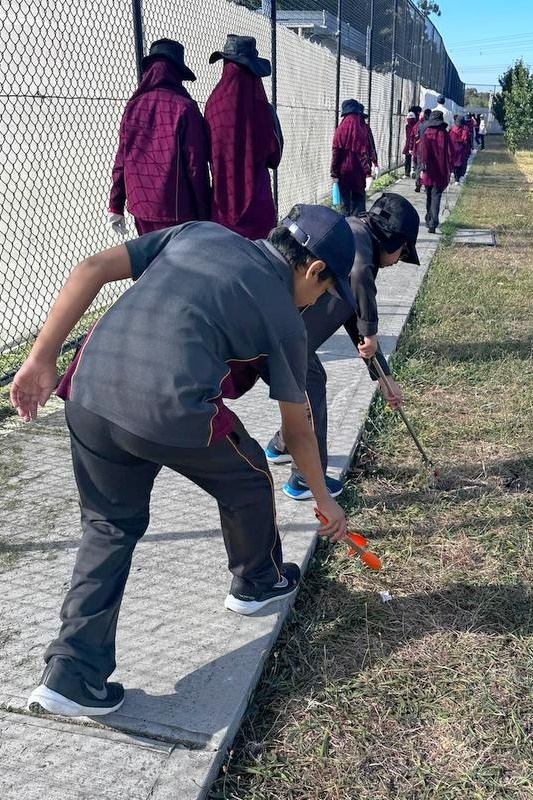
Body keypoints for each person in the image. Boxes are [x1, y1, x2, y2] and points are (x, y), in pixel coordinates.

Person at [10, 205, 355, 717]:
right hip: (167, 410)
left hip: (86, 390)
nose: (316, 302)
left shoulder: (200, 233)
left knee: (108, 525)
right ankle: (257, 580)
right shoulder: (286, 320)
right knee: (250, 474)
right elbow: (297, 428)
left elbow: (90, 268)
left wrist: (41, 357)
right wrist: (323, 500)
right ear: (313, 270)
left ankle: (71, 675)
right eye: (324, 292)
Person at [265, 194, 420, 500]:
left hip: (293, 337)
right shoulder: (358, 242)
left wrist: (384, 378)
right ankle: (305, 478)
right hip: (288, 337)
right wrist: (372, 330)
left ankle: (280, 445)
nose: (397, 261)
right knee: (312, 385)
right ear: (394, 240)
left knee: (307, 386)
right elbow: (361, 279)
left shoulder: (357, 235)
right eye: (403, 252)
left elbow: (353, 317)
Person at [108, 39, 210, 237]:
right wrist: (204, 212)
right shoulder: (185, 107)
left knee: (152, 262)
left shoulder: (133, 106)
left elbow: (121, 159)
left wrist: (115, 204)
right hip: (176, 208)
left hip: (141, 205)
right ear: (176, 73)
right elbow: (195, 165)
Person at [204, 34, 283, 239]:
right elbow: (275, 158)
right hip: (257, 205)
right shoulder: (263, 109)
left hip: (222, 206)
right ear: (254, 72)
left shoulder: (213, 106)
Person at [330, 99, 373, 217]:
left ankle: (344, 230)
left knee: (345, 205)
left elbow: (335, 154)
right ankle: (358, 230)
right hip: (358, 174)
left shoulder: (339, 130)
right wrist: (368, 173)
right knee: (358, 203)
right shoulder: (359, 131)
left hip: (343, 173)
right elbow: (362, 154)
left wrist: (334, 173)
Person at [419, 109, 453, 234]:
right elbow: (450, 153)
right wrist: (450, 168)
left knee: (428, 195)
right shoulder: (445, 134)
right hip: (441, 171)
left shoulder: (427, 133)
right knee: (436, 196)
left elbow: (423, 153)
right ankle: (433, 222)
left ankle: (429, 219)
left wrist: (423, 168)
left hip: (428, 170)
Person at [412, 109, 431, 193]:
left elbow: (418, 136)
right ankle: (427, 186)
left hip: (420, 148)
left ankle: (418, 183)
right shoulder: (431, 125)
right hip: (430, 148)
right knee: (428, 168)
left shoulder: (421, 125)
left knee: (419, 166)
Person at [449, 116, 471, 185]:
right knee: (461, 164)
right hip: (462, 149)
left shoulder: (452, 129)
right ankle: (458, 178)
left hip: (453, 149)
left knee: (454, 164)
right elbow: (466, 140)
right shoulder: (465, 129)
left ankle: (455, 177)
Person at [402, 111, 418, 177]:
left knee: (407, 158)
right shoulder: (416, 125)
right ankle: (415, 171)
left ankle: (407, 172)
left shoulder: (407, 126)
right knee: (415, 158)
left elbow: (408, 136)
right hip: (415, 143)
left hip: (408, 143)